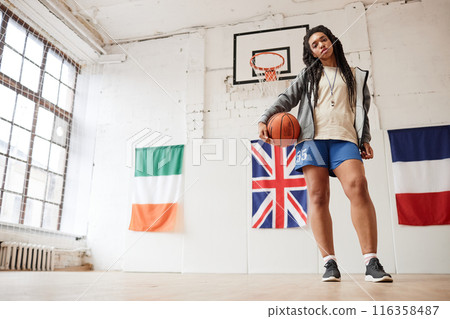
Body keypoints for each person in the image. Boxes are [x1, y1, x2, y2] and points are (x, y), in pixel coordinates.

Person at [258, 25, 392, 283]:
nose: (321, 46)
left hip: (344, 139)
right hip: (312, 140)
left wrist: (364, 139)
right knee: (318, 196)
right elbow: (287, 98)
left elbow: (362, 110)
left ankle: (371, 261)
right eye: (314, 45)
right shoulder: (308, 75)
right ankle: (329, 263)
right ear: (312, 52)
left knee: (358, 185)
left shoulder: (356, 75)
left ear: (333, 42)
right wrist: (265, 118)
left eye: (323, 40)